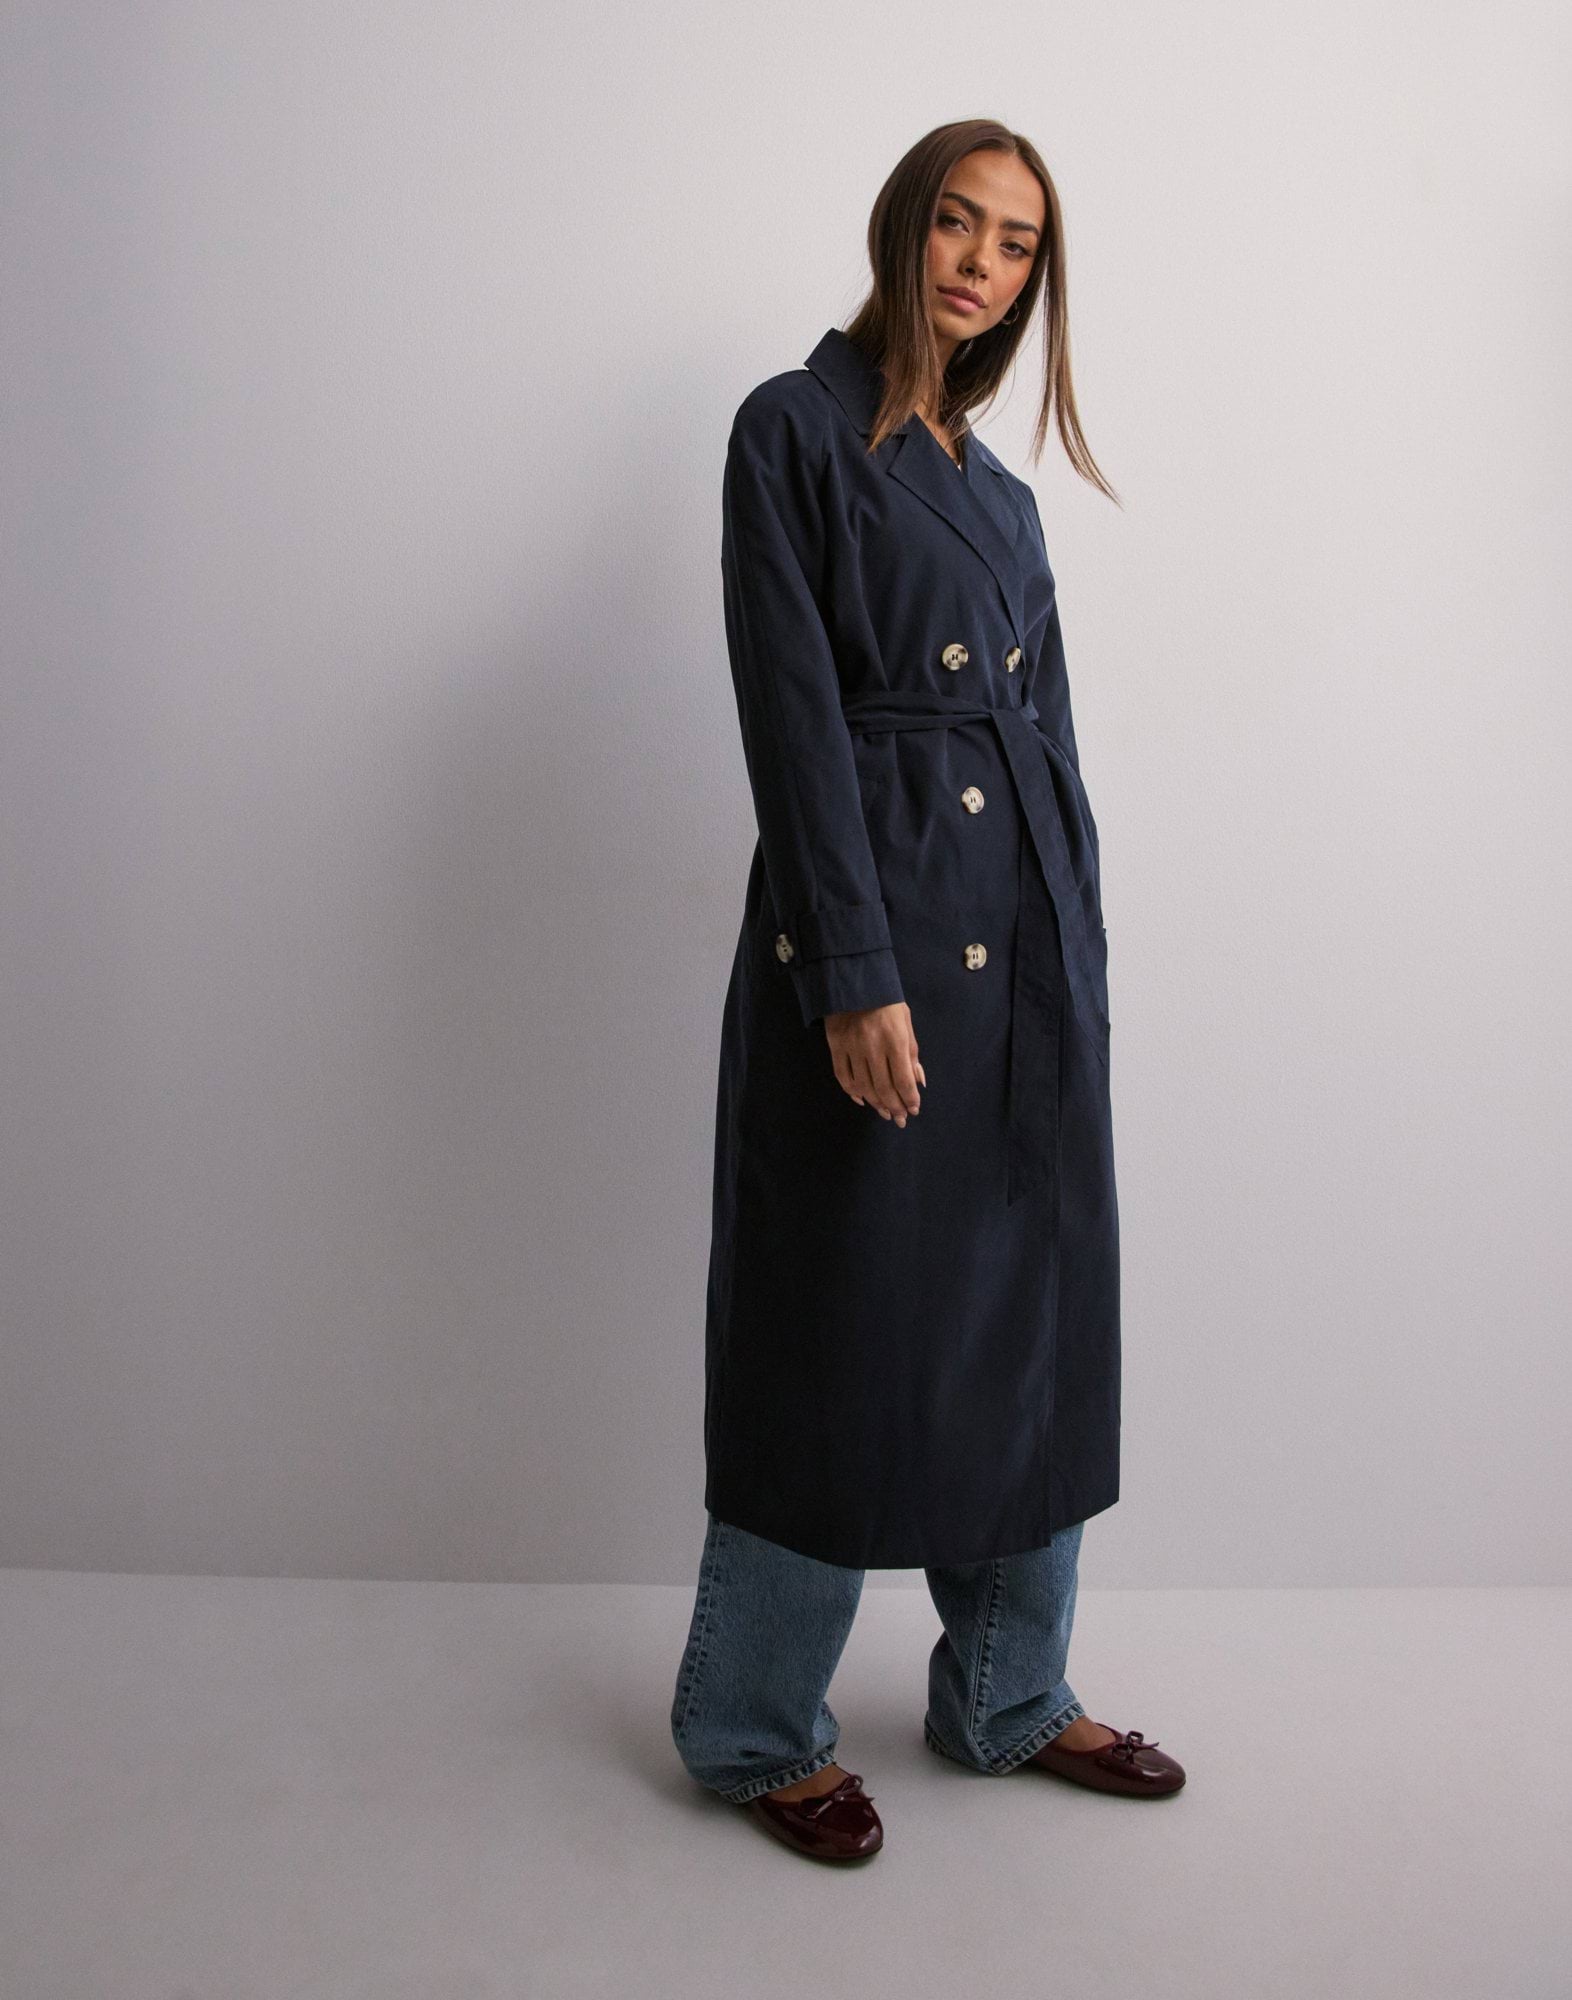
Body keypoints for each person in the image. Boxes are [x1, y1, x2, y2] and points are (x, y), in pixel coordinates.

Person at [671, 119, 1185, 1863]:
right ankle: (753, 1726)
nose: (981, 263)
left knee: (1030, 1313)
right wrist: (850, 969)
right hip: (881, 933)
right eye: (959, 223)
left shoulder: (1008, 498)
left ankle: (1009, 1693)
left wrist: (1077, 952)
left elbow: (1049, 737)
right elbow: (792, 721)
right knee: (836, 1317)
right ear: (904, 229)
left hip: (1024, 945)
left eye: (1017, 243)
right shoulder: (791, 429)